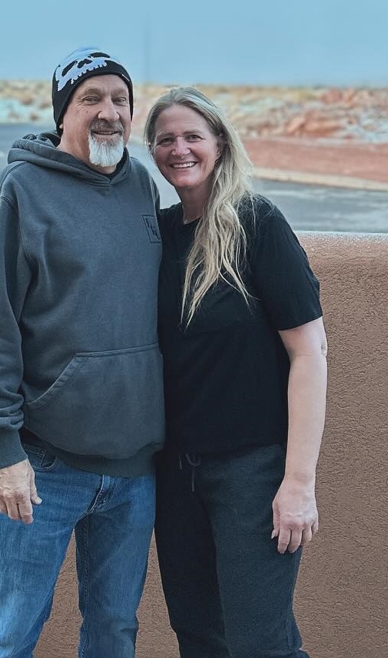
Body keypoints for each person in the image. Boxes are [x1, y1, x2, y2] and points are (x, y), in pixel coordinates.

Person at [0, 48, 164, 658]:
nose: (109, 112)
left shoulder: (139, 185)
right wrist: (1, 449)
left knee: (114, 630)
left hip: (133, 468)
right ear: (63, 112)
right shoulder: (17, 192)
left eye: (120, 100)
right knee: (11, 633)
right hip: (45, 466)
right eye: (90, 98)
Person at [144, 86, 329, 658]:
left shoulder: (257, 223)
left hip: (251, 474)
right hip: (175, 477)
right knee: (199, 636)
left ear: (220, 144)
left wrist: (298, 484)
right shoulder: (158, 234)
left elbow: (310, 353)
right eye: (166, 139)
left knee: (259, 643)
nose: (180, 149)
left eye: (192, 136)